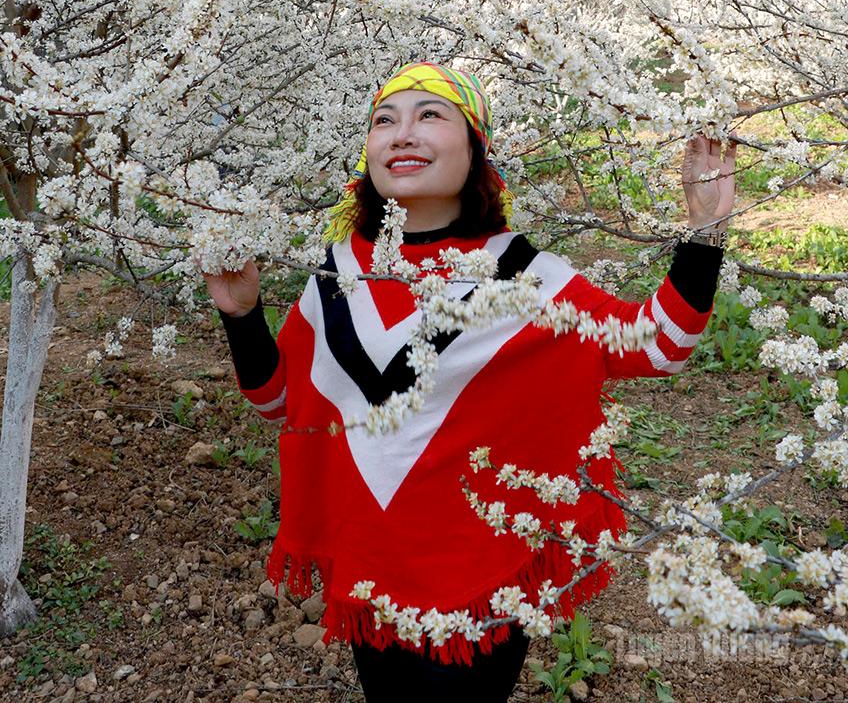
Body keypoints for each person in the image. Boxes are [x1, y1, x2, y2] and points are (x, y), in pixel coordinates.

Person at [206, 62, 735, 703]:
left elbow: (661, 344)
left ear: (475, 148)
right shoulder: (341, 274)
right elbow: (280, 400)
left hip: (481, 576)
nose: (402, 134)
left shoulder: (524, 276)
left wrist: (704, 231)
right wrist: (240, 316)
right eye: (384, 120)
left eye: (430, 115)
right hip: (371, 572)